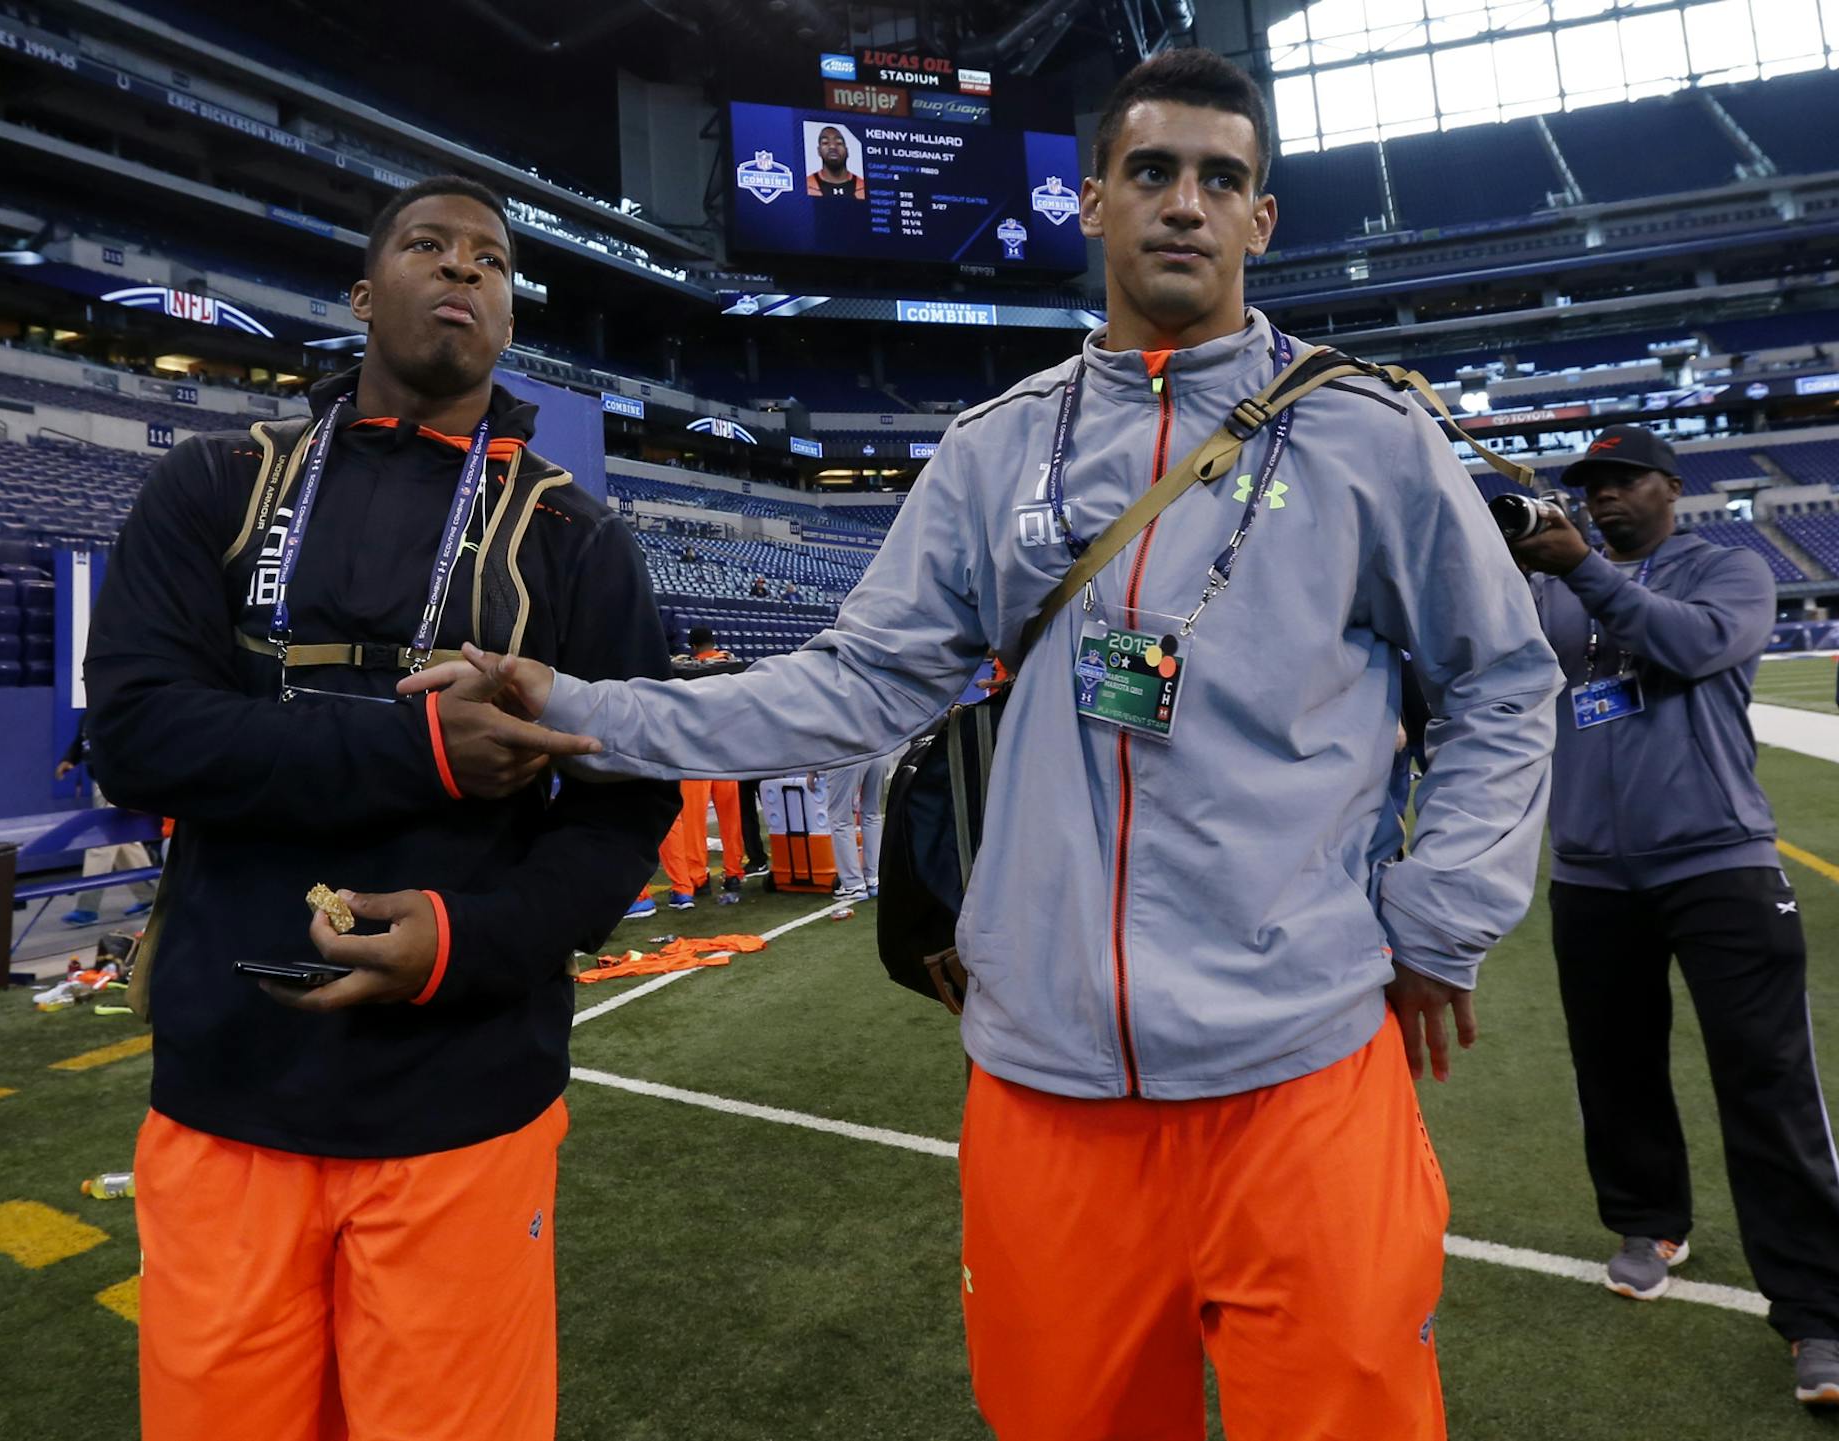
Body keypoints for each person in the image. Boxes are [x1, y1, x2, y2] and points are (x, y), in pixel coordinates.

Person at [408, 50, 1559, 1440]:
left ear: (1262, 221)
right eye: (1152, 172)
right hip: (1047, 1085)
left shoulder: (1370, 438)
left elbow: (1503, 679)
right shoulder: (992, 451)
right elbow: (846, 689)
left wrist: (1443, 915)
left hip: (1302, 1076)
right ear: (1092, 202)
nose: (1184, 204)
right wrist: (584, 710)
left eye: (1221, 180)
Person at [84, 174, 680, 1441]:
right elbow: (135, 737)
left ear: (511, 318)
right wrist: (421, 750)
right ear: (364, 293)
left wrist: (469, 941)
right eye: (429, 246)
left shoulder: (578, 542)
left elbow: (623, 815)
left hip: (463, 1104)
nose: (464, 270)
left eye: (492, 262)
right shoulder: (212, 488)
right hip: (225, 1094)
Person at [1513, 422, 1839, 1408]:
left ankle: (1819, 1311)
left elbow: (1690, 645)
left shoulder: (1729, 571)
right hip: (1593, 872)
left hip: (1720, 861)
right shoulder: (1554, 589)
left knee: (1767, 1079)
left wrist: (1586, 572)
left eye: (1620, 482)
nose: (1603, 499)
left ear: (1669, 485)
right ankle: (1647, 1220)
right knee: (1614, 1065)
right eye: (1589, 487)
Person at [663, 628, 745, 908]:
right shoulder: (731, 665)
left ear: (694, 645)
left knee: (695, 821)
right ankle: (734, 872)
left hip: (697, 754)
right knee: (731, 819)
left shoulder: (687, 668)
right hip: (728, 751)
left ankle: (698, 878)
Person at [53, 718, 156, 927]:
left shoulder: (116, 709)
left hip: (117, 782)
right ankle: (149, 896)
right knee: (125, 842)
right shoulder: (88, 714)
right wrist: (70, 759)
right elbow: (82, 742)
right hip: (99, 782)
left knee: (100, 843)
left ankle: (87, 908)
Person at [819, 755, 887, 902]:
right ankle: (873, 877)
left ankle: (853, 883)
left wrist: (812, 769)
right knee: (872, 813)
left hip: (848, 752)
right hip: (880, 748)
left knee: (840, 818)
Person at [807, 126, 866, 199]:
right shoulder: (805, 185)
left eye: (839, 143)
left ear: (847, 151)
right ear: (819, 151)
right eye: (825, 143)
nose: (832, 146)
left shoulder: (865, 187)